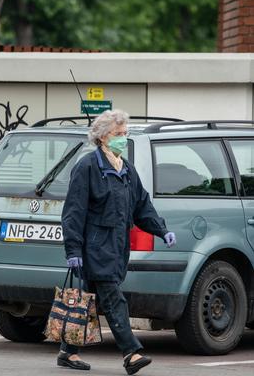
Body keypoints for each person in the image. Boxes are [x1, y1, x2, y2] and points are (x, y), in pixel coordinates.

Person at [57, 109, 176, 374]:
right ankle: (131, 353)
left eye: (125, 134)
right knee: (113, 300)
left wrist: (161, 230)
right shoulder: (87, 167)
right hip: (94, 248)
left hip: (117, 247)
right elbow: (73, 212)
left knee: (85, 298)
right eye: (118, 134)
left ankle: (68, 352)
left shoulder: (126, 169)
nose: (123, 138)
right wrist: (73, 249)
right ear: (102, 138)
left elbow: (142, 206)